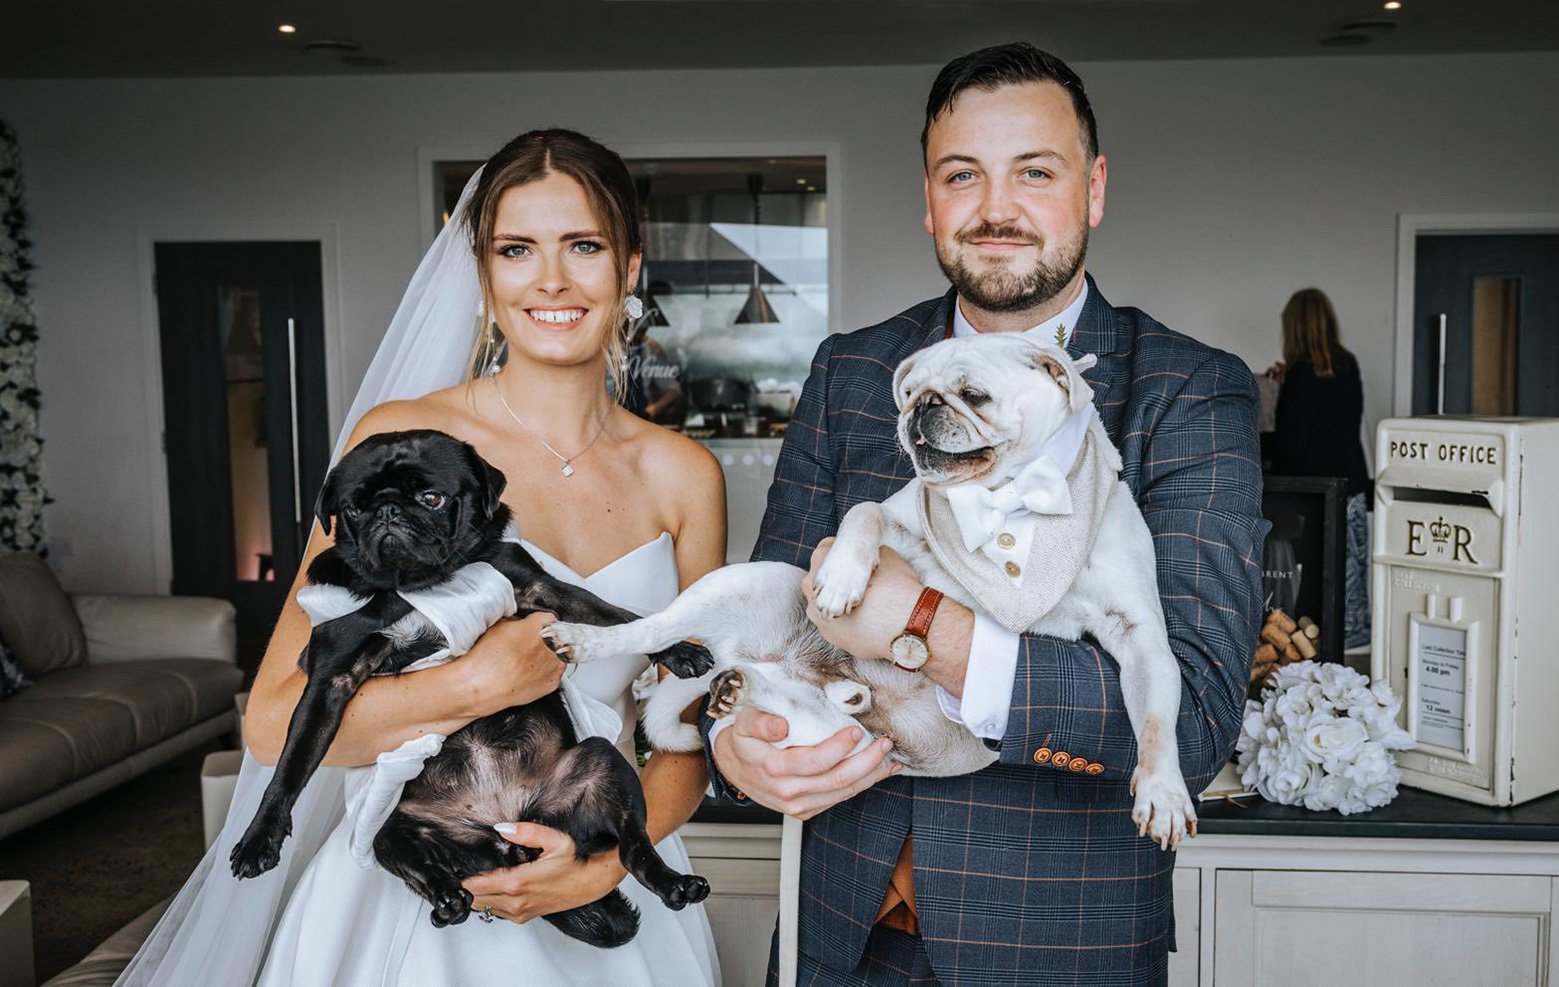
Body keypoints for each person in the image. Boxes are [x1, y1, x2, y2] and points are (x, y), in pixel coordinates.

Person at [704, 43, 1266, 985]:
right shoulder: (852, 369)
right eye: (962, 175)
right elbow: (766, 621)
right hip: (833, 936)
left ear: (1091, 190)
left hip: (1056, 949)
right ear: (929, 199)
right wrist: (732, 744)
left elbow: (1198, 721)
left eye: (1033, 173)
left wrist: (923, 627)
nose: (994, 209)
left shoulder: (1189, 390)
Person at [119, 130, 724, 986]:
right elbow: (270, 721)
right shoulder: (397, 447)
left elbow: (686, 739)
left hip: (603, 853)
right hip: (410, 887)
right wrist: (475, 685)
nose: (550, 279)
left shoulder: (684, 474)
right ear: (484, 272)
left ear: (627, 266)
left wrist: (598, 868)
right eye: (517, 249)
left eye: (582, 246)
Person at [1267, 287, 1372, 649]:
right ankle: (1355, 640)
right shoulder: (1347, 363)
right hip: (1353, 481)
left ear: (1294, 327)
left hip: (1316, 489)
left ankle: (1319, 647)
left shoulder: (1300, 373)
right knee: (1351, 569)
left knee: (1317, 573)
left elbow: (1292, 442)